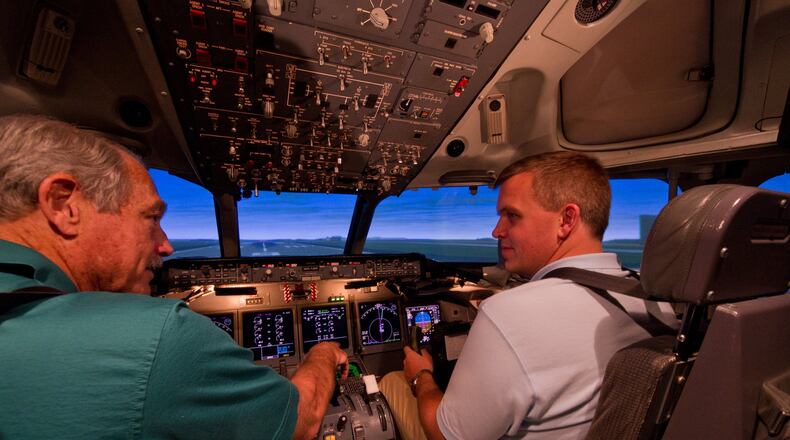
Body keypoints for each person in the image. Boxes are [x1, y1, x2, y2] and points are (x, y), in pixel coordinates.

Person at [0, 114, 347, 439]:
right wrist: (324, 354)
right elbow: (302, 422)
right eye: (152, 218)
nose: (165, 246)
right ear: (63, 205)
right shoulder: (154, 337)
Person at [379, 151, 678, 440]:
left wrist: (422, 378)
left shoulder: (509, 312)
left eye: (512, 216)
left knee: (393, 381)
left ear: (566, 220)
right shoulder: (655, 301)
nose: (497, 231)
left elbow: (444, 435)